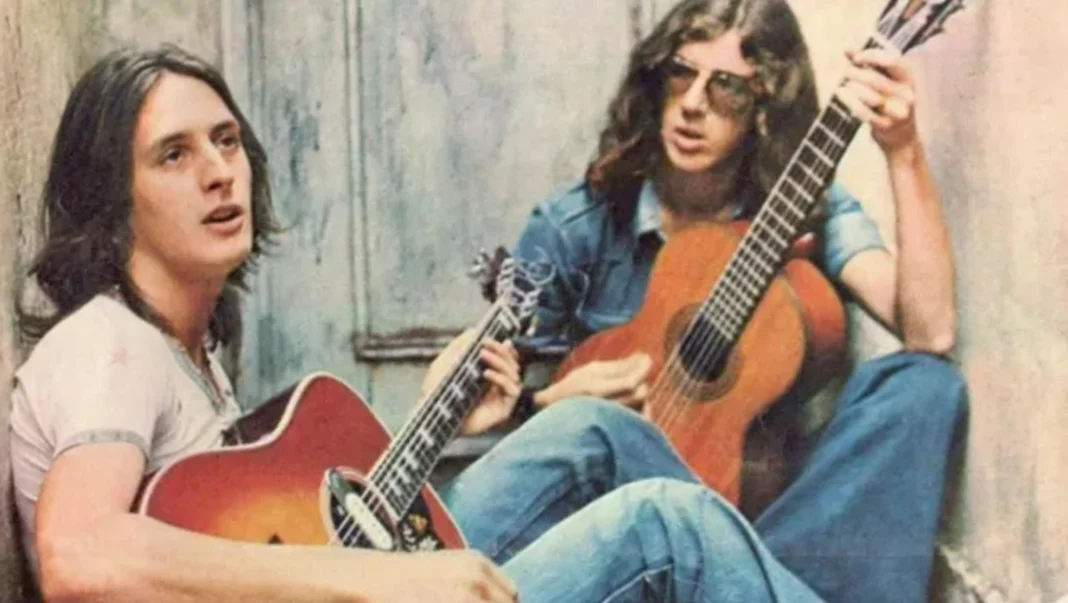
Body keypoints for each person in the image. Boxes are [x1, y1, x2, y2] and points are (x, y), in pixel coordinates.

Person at [9, 44, 843, 603]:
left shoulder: (184, 343)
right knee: (668, 524)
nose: (221, 173)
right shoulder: (108, 345)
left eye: (226, 141)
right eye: (174, 154)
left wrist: (438, 418)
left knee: (590, 426)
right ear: (111, 198)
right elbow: (80, 554)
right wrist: (382, 580)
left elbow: (271, 526)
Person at [437, 1, 968, 602]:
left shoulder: (801, 202)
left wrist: (902, 150)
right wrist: (543, 402)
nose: (693, 104)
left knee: (923, 384)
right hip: (623, 542)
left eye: (727, 89)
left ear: (766, 105)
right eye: (680, 74)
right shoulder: (575, 226)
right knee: (595, 430)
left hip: (758, 531)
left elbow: (931, 331)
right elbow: (490, 402)